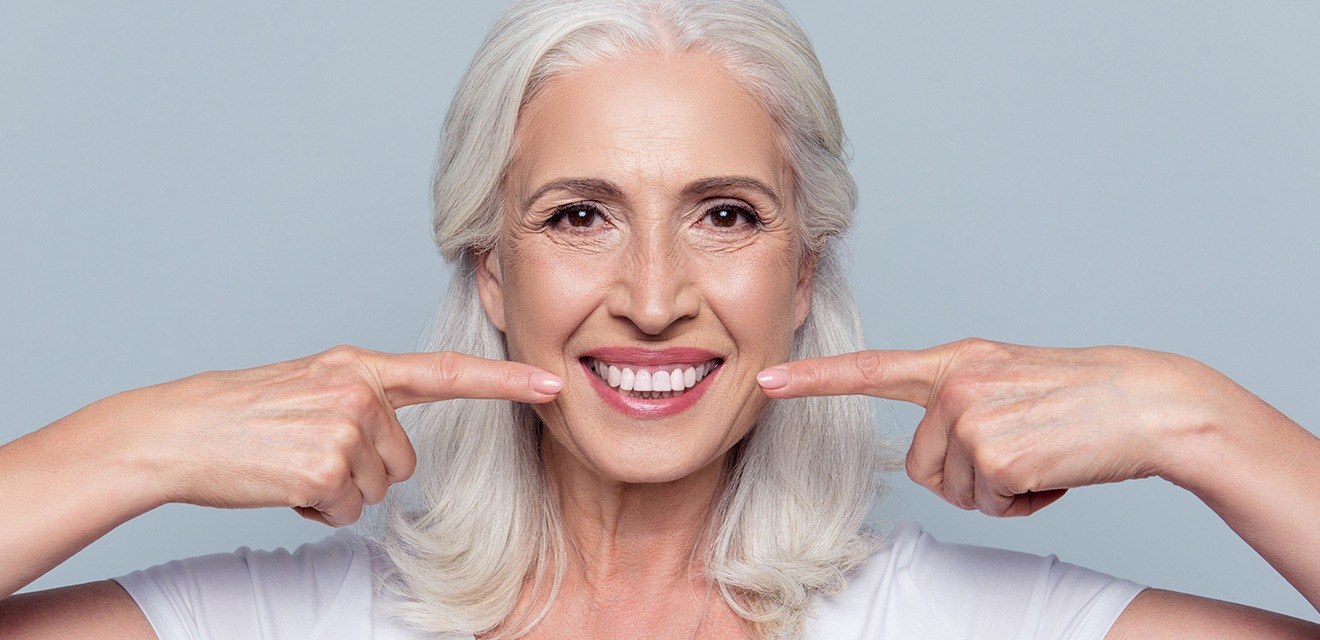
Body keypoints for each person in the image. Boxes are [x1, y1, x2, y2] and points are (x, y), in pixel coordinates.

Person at [1, 0, 1317, 637]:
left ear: (802, 274)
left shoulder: (971, 625)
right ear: (488, 272)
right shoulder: (284, 626)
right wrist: (135, 445)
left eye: (726, 215)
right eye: (577, 215)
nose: (649, 296)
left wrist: (1192, 419)